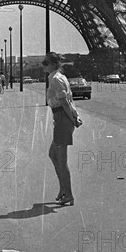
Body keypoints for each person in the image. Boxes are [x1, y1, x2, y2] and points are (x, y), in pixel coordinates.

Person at [42, 52, 78, 206]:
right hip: (61, 118)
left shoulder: (56, 79)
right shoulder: (57, 77)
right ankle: (63, 189)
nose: (43, 65)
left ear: (53, 64)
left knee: (61, 160)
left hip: (63, 118)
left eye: (45, 62)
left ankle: (68, 193)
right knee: (54, 155)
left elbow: (64, 103)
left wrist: (73, 120)